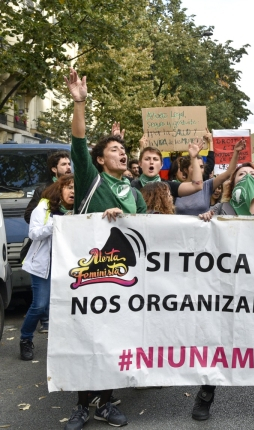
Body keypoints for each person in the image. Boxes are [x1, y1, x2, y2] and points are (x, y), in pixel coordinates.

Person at [63, 67, 147, 430]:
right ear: (100, 160)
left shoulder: (137, 194)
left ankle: (107, 400)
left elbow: (151, 232)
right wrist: (80, 102)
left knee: (115, 339)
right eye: (115, 149)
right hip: (90, 275)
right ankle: (83, 403)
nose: (123, 153)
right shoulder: (89, 179)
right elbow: (79, 143)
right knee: (86, 337)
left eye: (124, 149)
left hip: (125, 279)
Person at [194, 162, 254, 421]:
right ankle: (206, 395)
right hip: (228, 290)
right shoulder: (220, 209)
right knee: (220, 340)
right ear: (231, 183)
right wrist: (205, 221)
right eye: (241, 174)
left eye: (252, 174)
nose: (246, 177)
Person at [19, 175, 74, 361]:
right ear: (60, 189)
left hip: (67, 267)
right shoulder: (44, 206)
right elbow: (34, 233)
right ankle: (25, 339)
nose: (73, 191)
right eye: (69, 187)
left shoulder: (80, 208)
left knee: (67, 306)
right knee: (40, 305)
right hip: (44, 265)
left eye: (76, 187)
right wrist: (56, 223)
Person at [174, 139, 246, 215]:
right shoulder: (177, 188)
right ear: (185, 170)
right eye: (195, 166)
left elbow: (229, 172)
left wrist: (236, 152)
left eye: (201, 167)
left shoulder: (207, 186)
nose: (199, 170)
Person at [132, 135, 205, 203]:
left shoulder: (168, 186)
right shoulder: (131, 185)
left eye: (155, 159)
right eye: (147, 159)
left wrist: (194, 158)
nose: (151, 162)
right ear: (140, 164)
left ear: (161, 165)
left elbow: (197, 186)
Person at [24, 150, 72, 224]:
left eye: (69, 164)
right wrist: (49, 225)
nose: (68, 167)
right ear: (54, 169)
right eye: (64, 164)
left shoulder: (77, 187)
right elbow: (29, 215)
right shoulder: (43, 190)